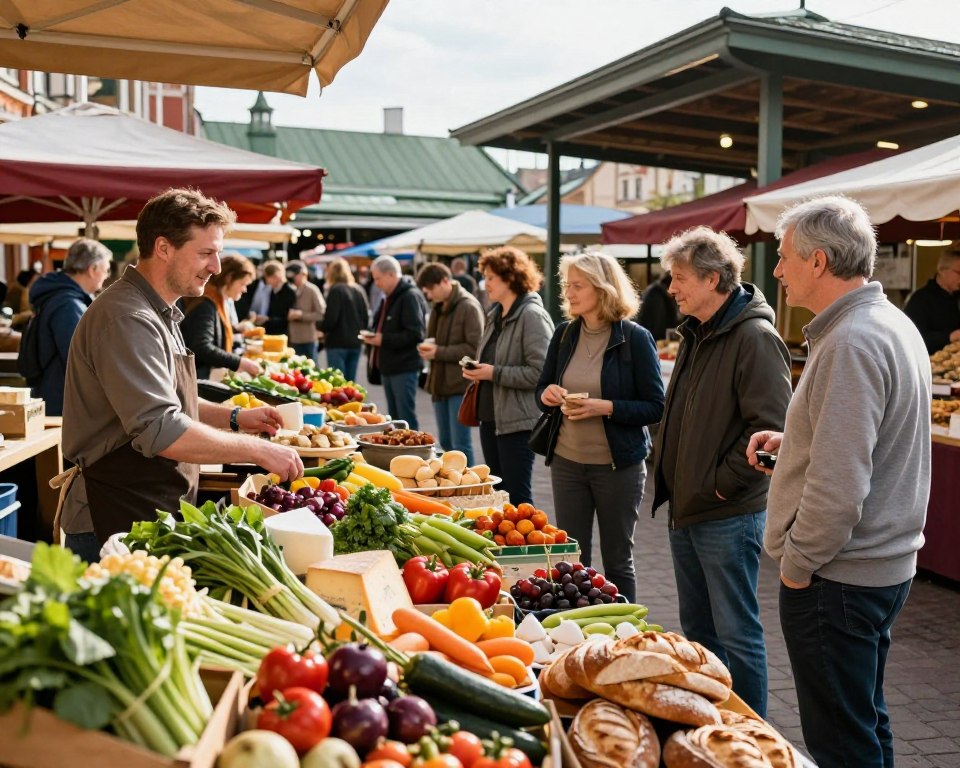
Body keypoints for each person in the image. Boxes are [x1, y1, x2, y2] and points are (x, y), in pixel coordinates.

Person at [748, 196, 930, 767]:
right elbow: (864, 443)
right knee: (865, 723)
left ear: (819, 261)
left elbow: (840, 486)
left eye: (783, 258)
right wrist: (795, 443)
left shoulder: (851, 341)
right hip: (874, 570)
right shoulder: (886, 322)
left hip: (837, 577)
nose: (776, 271)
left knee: (842, 742)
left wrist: (798, 566)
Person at [59, 188, 303, 564]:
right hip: (112, 516)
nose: (217, 267)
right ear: (163, 248)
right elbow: (161, 428)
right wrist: (258, 448)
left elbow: (171, 400)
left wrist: (235, 418)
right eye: (206, 253)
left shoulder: (158, 309)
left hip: (142, 504)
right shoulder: (129, 318)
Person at [651, 226, 792, 717]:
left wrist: (716, 484)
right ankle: (713, 718)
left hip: (725, 512)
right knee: (700, 633)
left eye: (680, 278)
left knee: (737, 632)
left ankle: (752, 731)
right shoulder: (697, 331)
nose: (671, 288)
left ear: (713, 279)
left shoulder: (754, 337)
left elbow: (773, 430)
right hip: (688, 508)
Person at [536, 251, 664, 603]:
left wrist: (604, 407)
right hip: (566, 463)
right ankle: (575, 637)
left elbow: (656, 406)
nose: (569, 293)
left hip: (617, 468)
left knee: (618, 562)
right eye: (567, 285)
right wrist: (547, 394)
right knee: (572, 562)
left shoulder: (635, 338)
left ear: (603, 288)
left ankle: (626, 636)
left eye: (578, 286)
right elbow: (542, 389)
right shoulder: (563, 334)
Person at [464, 246, 554, 505]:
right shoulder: (495, 314)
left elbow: (541, 373)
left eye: (491, 277)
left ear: (511, 277)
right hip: (491, 418)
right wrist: (477, 369)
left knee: (517, 496)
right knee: (498, 495)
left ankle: (529, 544)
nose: (486, 283)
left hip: (517, 422)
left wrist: (494, 373)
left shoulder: (532, 316)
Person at [26, 239, 112, 416]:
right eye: (106, 269)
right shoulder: (69, 305)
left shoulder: (61, 296)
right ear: (92, 269)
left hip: (53, 396)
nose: (107, 276)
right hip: (63, 403)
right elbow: (81, 361)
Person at [416, 262, 484, 463]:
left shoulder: (468, 306)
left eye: (430, 289)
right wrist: (430, 348)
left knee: (460, 445)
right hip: (439, 384)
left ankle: (470, 489)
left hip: (459, 385)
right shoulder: (438, 305)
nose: (428, 295)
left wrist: (438, 352)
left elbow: (474, 349)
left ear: (445, 281)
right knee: (445, 441)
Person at [364, 255, 427, 429]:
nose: (376, 283)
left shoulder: (409, 296)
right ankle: (399, 453)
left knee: (405, 418)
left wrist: (383, 339)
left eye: (378, 278)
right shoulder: (390, 296)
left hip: (404, 367)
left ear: (391, 275)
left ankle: (413, 453)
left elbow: (415, 334)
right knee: (395, 418)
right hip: (390, 366)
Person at [180, 254, 262, 380]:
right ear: (229, 278)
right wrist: (239, 362)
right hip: (200, 381)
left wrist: (236, 330)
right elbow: (201, 346)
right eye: (242, 283)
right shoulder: (206, 305)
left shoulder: (214, 301)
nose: (245, 290)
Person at [320, 257, 369, 381]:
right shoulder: (358, 290)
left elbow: (331, 318)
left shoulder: (336, 290)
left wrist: (320, 328)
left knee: (338, 383)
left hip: (337, 343)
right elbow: (366, 317)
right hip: (355, 342)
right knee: (351, 384)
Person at [903, 249, 960, 353]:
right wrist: (949, 337)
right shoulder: (920, 300)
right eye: (958, 272)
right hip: (929, 364)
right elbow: (911, 338)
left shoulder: (957, 297)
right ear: (941, 270)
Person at [285, 260, 326, 361]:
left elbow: (320, 313)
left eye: (295, 275)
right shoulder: (288, 290)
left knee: (311, 369)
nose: (292, 279)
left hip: (309, 339)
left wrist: (301, 315)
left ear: (303, 274)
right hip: (293, 338)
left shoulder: (312, 290)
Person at [254, 261, 296, 336]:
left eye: (267, 278)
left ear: (275, 276)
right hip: (270, 332)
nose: (267, 282)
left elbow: (287, 318)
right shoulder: (272, 290)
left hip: (282, 335)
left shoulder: (290, 291)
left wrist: (268, 319)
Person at [636, 272, 681, 341]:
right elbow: (658, 323)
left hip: (647, 334)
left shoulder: (654, 290)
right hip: (654, 338)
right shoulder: (657, 295)